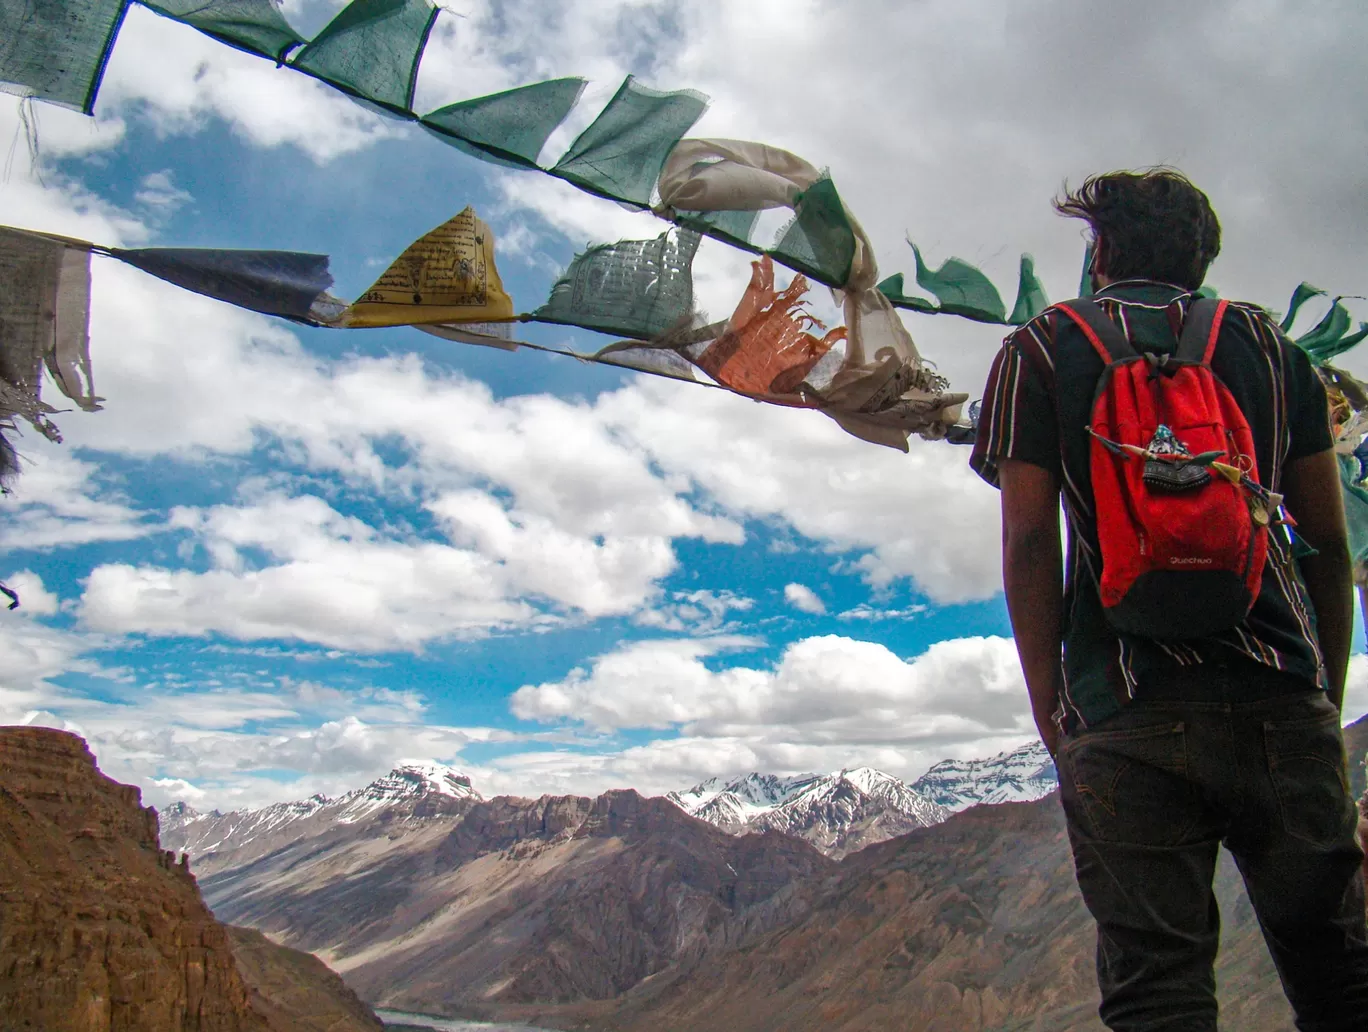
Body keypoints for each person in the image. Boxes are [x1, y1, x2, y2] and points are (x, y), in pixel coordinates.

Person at [970, 168, 1368, 1031]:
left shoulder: (1038, 350)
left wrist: (1056, 710)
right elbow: (1328, 546)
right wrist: (1320, 697)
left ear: (1099, 251)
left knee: (1159, 992)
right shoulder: (1273, 352)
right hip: (1279, 695)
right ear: (1204, 258)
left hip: (1124, 705)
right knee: (1341, 976)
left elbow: (1031, 543)